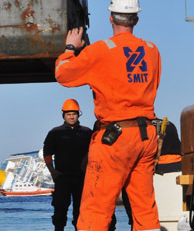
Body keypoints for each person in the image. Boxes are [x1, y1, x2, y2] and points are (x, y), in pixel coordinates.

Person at [54, 0, 161, 230]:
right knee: (145, 209)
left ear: (110, 18)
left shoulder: (101, 51)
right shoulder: (152, 51)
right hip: (146, 136)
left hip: (116, 138)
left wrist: (70, 48)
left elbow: (62, 74)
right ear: (136, 20)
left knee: (96, 209)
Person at [43, 99, 92, 231]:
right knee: (59, 212)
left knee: (81, 212)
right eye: (68, 114)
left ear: (78, 114)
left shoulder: (87, 132)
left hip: (81, 178)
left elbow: (95, 151)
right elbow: (47, 153)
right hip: (62, 177)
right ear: (63, 115)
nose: (71, 116)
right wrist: (52, 171)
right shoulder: (55, 132)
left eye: (74, 114)